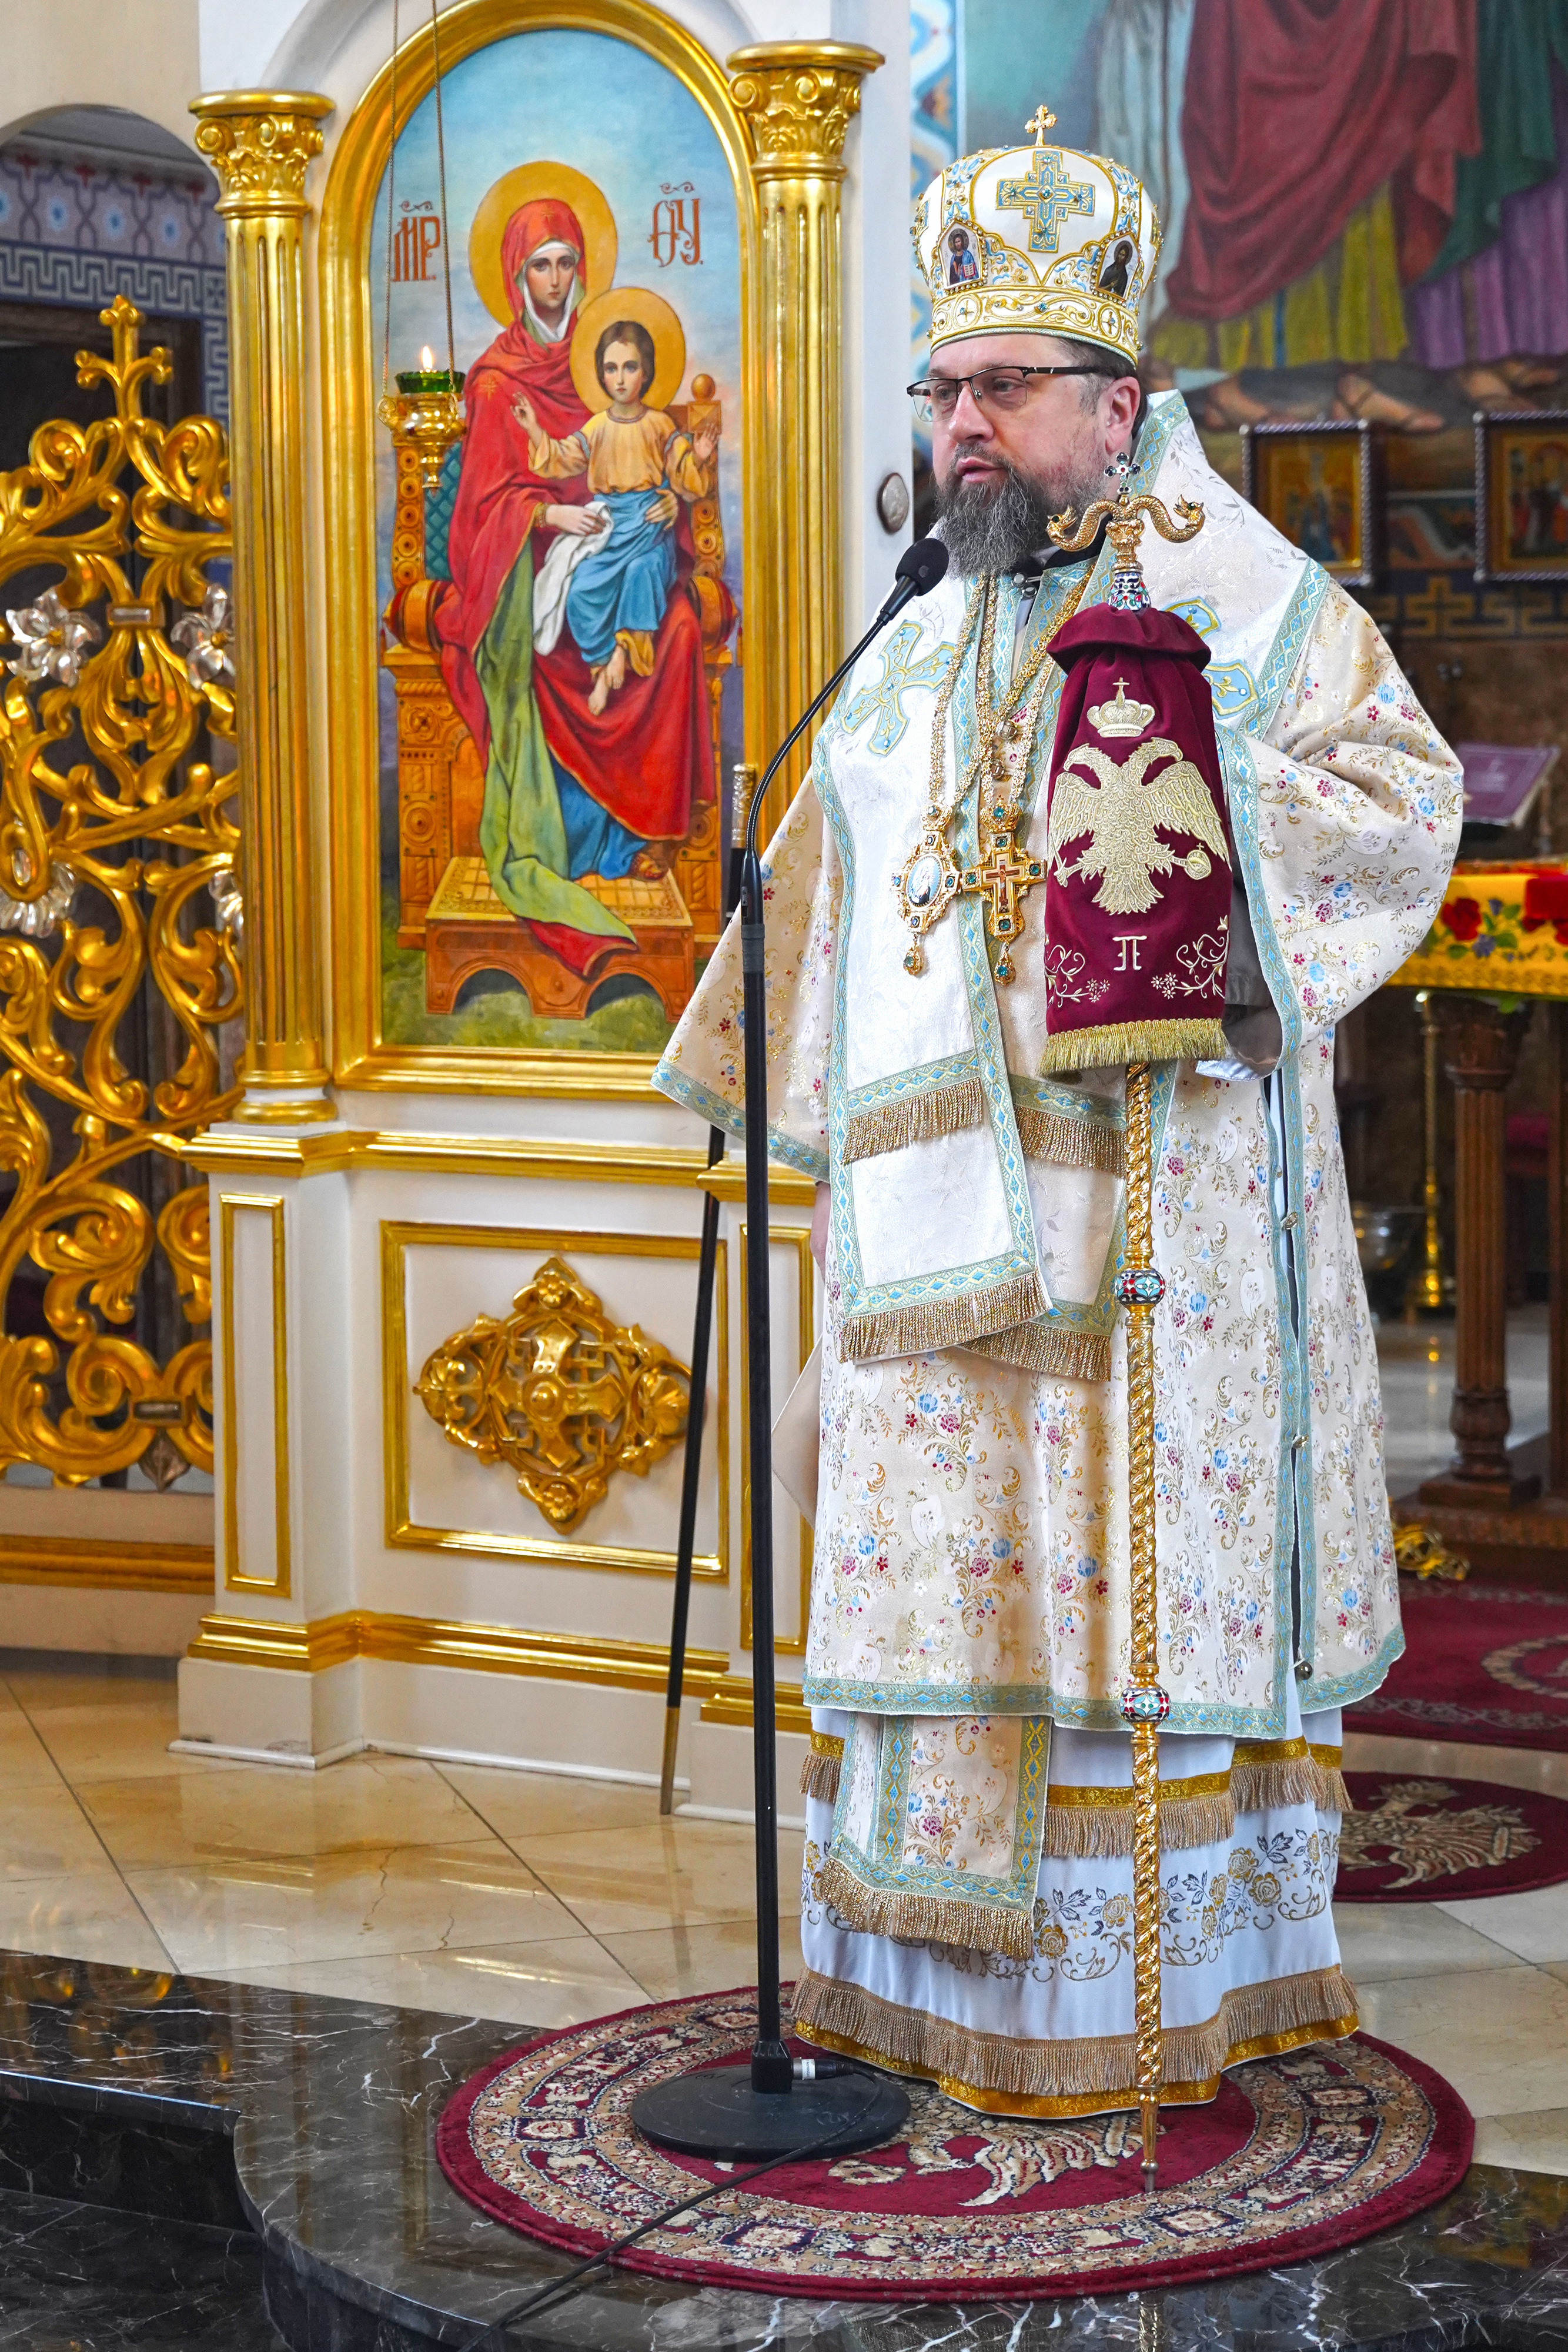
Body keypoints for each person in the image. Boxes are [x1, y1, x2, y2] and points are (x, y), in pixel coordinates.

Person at [653, 115, 1462, 2117]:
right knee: (950, 1577)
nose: (960, 425)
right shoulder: (917, 627)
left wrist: (1192, 824)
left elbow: (1399, 802)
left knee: (1105, 1602)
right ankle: (910, 1986)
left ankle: (1136, 1999)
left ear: (1114, 405)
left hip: (1153, 1223)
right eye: (943, 390)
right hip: (933, 1238)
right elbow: (829, 871)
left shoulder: (1242, 598)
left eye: (1002, 388)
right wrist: (754, 1073)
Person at [414, 195, 717, 974]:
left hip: (624, 543)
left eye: (565, 263)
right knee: (547, 647)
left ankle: (645, 836)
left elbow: (660, 456)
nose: (553, 279)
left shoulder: (606, 356)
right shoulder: (495, 384)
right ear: (516, 277)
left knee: (681, 631)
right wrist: (549, 516)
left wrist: (668, 500)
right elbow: (484, 506)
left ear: (582, 270)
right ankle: (565, 840)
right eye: (539, 265)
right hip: (529, 559)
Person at [514, 318, 718, 719]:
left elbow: (684, 478)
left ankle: (621, 656)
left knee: (642, 573)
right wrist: (535, 431)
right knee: (580, 591)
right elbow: (561, 459)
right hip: (610, 529)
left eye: (630, 367)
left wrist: (698, 457)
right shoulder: (597, 427)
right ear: (601, 374)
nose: (621, 379)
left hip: (649, 527)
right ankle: (601, 662)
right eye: (611, 368)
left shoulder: (660, 425)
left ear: (646, 372)